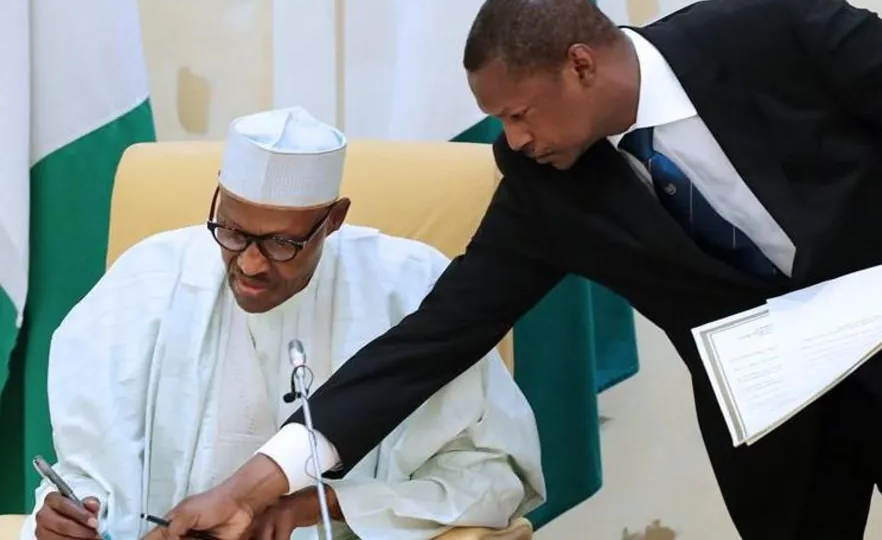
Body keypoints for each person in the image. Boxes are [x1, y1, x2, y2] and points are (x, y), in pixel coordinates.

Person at [155, 0, 882, 540]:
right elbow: (434, 338)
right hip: (784, 444)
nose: (513, 140)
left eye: (520, 114)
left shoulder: (778, 31)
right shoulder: (546, 189)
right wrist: (259, 477)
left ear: (579, 65)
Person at [23, 106, 545, 540]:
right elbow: (92, 472)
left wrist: (318, 506)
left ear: (333, 220)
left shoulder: (408, 288)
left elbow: (493, 477)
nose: (250, 263)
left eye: (281, 244)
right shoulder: (148, 282)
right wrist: (64, 515)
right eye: (231, 231)